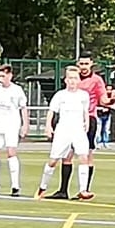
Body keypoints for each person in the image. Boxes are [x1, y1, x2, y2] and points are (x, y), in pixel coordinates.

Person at [59, 56, 113, 198]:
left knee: (87, 154)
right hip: (71, 120)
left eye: (86, 63)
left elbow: (103, 100)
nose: (83, 66)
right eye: (81, 63)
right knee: (67, 154)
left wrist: (111, 99)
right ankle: (63, 190)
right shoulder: (73, 78)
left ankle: (84, 189)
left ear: (91, 64)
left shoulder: (96, 80)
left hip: (88, 118)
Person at [37, 66, 94, 200]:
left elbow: (85, 111)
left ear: (79, 80)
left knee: (83, 157)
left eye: (75, 78)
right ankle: (43, 187)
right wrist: (48, 126)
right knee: (53, 160)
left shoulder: (83, 95)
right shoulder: (60, 95)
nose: (72, 81)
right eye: (70, 78)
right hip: (63, 130)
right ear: (66, 80)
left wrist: (86, 123)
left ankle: (83, 190)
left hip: (78, 130)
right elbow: (52, 111)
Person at [0, 63, 30, 197]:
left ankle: (15, 185)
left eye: (3, 76)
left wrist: (25, 125)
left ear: (10, 75)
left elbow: (23, 108)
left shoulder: (17, 90)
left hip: (11, 124)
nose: (1, 79)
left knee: (11, 152)